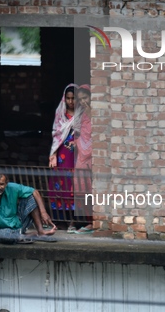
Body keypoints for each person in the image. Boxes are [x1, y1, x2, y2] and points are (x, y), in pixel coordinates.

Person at [0, 171, 56, 244]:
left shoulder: (13, 187)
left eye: (1, 184)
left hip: (17, 224)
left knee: (31, 197)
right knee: (4, 236)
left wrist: (43, 212)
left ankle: (39, 232)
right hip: (0, 230)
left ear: (6, 183)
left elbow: (34, 191)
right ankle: (25, 236)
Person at [48, 84, 77, 231]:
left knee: (74, 186)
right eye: (68, 98)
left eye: (73, 98)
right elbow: (56, 133)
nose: (71, 102)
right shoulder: (60, 114)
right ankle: (60, 219)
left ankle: (73, 220)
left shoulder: (83, 115)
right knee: (60, 185)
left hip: (76, 156)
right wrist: (53, 154)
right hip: (61, 156)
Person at [73, 85, 94, 233]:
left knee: (93, 188)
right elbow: (80, 133)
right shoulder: (81, 114)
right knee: (82, 187)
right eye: (80, 99)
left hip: (93, 155)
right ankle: (89, 221)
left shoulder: (96, 113)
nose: (83, 102)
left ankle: (96, 221)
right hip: (82, 153)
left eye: (85, 98)